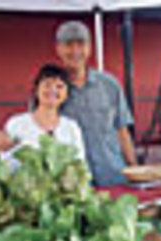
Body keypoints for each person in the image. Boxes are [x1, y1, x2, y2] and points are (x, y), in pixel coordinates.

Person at [55, 21, 137, 186]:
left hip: (114, 176)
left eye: (81, 44)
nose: (75, 51)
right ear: (58, 49)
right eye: (69, 44)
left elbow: (122, 131)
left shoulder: (110, 84)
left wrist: (134, 169)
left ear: (90, 48)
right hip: (74, 185)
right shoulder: (50, 90)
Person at [0, 64, 86, 161]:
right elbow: (4, 161)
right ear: (36, 90)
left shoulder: (71, 128)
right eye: (47, 85)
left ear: (66, 95)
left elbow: (80, 164)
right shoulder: (16, 124)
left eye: (59, 86)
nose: (53, 90)